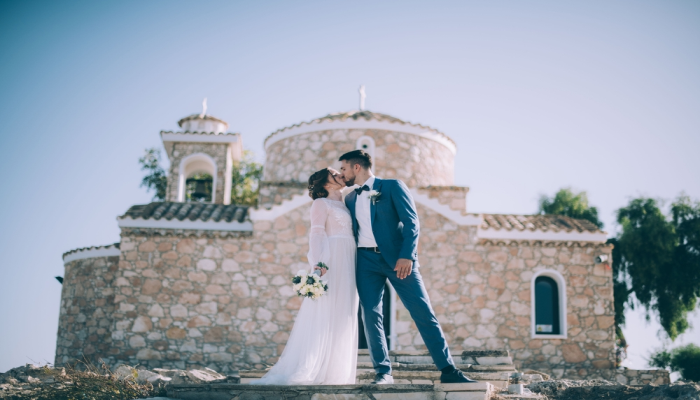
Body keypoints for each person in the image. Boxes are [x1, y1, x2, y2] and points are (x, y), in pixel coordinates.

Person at [338, 149, 477, 385]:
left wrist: (407, 256)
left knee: (422, 311)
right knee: (370, 314)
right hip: (365, 262)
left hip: (398, 260)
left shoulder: (392, 186)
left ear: (356, 167)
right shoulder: (350, 198)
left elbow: (412, 222)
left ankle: (448, 370)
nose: (342, 173)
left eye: (343, 168)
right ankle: (383, 372)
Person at [250, 168, 359, 385]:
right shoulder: (321, 204)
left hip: (350, 258)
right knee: (328, 309)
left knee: (344, 311)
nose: (339, 174)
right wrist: (318, 263)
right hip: (333, 259)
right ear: (325, 182)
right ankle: (313, 368)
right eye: (334, 172)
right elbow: (317, 233)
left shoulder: (346, 202)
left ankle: (335, 371)